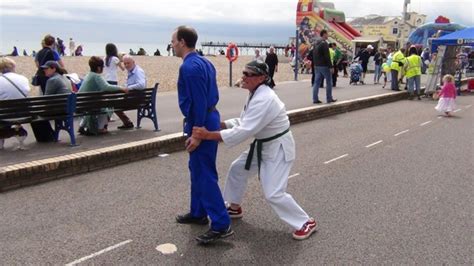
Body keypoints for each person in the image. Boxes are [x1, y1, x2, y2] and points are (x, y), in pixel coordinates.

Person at [192, 60, 317, 240]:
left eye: (248, 74)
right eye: (243, 73)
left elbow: (245, 130)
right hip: (263, 144)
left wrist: (208, 134)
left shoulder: (265, 98)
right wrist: (222, 124)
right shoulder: (255, 93)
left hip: (278, 148)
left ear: (262, 78)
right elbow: (245, 121)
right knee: (237, 169)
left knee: (274, 192)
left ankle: (305, 222)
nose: (243, 77)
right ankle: (234, 207)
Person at [171, 25, 232, 244]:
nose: (171, 45)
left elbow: (198, 101)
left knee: (204, 173)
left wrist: (197, 132)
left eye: (173, 41)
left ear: (182, 42)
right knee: (198, 169)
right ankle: (197, 212)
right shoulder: (205, 62)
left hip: (202, 121)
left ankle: (221, 224)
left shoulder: (190, 68)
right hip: (208, 117)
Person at [78, 56, 127, 135]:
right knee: (109, 107)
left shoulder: (88, 75)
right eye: (102, 67)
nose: (103, 68)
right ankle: (100, 128)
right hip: (89, 103)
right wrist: (121, 88)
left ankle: (82, 125)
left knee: (95, 108)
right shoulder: (96, 76)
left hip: (82, 102)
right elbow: (106, 87)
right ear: (98, 68)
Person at [0, 58, 30, 150]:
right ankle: (17, 133)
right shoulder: (23, 78)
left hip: (4, 114)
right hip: (23, 113)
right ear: (13, 67)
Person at [114, 55, 146, 129]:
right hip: (134, 97)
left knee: (113, 104)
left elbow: (142, 85)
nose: (126, 65)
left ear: (133, 62)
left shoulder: (138, 71)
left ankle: (126, 122)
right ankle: (127, 122)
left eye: (128, 63)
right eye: (125, 64)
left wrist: (129, 88)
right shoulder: (131, 71)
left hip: (137, 99)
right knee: (114, 102)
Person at [312, 30, 336, 104]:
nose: (327, 35)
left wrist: (315, 63)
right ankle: (329, 98)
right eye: (327, 34)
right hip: (324, 65)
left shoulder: (315, 43)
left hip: (316, 65)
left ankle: (315, 99)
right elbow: (327, 56)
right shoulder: (324, 43)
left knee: (316, 83)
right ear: (324, 34)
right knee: (329, 82)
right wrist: (331, 67)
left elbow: (313, 54)